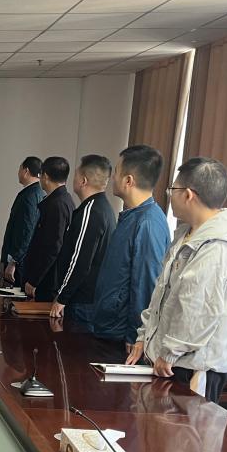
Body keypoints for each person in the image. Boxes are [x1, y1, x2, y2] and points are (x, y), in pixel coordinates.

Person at [128, 158, 227, 402]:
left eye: (172, 189)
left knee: (184, 428)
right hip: (172, 358)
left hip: (195, 364)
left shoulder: (217, 245)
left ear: (188, 195)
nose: (169, 195)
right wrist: (144, 338)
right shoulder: (187, 233)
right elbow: (162, 293)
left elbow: (199, 308)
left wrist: (170, 353)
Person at [91, 145, 171, 351]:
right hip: (109, 327)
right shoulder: (133, 215)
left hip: (122, 336)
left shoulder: (148, 222)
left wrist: (135, 335)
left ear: (128, 180)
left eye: (116, 171)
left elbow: (146, 283)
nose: (112, 177)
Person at [50, 155, 116, 325]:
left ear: (83, 181)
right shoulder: (104, 208)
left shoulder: (91, 211)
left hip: (81, 301)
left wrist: (62, 297)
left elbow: (80, 260)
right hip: (89, 300)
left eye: (76, 175)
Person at [23, 156, 75, 302]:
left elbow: (52, 247)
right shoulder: (65, 200)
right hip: (48, 277)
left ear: (45, 176)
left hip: (47, 280)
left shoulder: (57, 204)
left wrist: (34, 280)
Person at [0, 156, 45, 286]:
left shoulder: (30, 195)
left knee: (14, 295)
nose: (18, 172)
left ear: (26, 171)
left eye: (20, 169)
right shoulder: (36, 192)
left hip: (19, 264)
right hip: (20, 260)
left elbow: (27, 231)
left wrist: (14, 261)